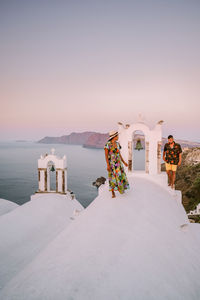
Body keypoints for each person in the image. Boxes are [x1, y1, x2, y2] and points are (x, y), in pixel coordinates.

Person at [104, 130, 130, 198]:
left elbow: (119, 154)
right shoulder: (108, 144)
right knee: (112, 177)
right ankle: (112, 192)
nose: (118, 137)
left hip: (118, 163)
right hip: (112, 164)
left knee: (120, 176)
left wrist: (124, 162)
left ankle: (121, 189)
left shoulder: (118, 144)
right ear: (114, 136)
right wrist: (108, 165)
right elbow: (106, 156)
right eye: (117, 135)